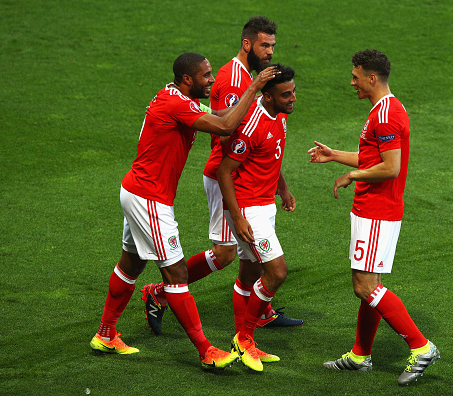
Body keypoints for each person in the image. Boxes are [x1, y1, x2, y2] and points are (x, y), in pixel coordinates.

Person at [89, 52, 279, 371]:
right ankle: (206, 350)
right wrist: (254, 88)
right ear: (188, 79)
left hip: (139, 191)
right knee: (175, 274)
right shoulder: (177, 104)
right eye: (206, 76)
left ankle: (106, 334)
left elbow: (220, 114)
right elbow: (223, 125)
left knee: (131, 264)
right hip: (149, 198)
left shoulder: (176, 96)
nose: (212, 80)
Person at [141, 16, 302, 336]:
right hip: (226, 177)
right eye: (264, 46)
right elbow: (228, 134)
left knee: (249, 256)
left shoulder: (250, 79)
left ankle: (260, 312)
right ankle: (160, 291)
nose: (269, 53)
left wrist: (280, 185)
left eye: (272, 46)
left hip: (250, 179)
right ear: (247, 44)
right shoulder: (233, 81)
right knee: (228, 253)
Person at [308, 49, 440, 385]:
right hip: (374, 210)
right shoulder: (384, 109)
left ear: (371, 78)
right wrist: (334, 156)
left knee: (365, 286)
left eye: (355, 77)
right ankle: (360, 355)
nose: (351, 83)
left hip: (377, 211)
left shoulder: (386, 115)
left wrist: (351, 177)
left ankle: (420, 346)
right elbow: (373, 158)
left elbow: (390, 167)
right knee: (371, 286)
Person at [217, 64, 297, 372]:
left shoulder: (281, 115)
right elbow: (225, 171)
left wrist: (284, 189)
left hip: (266, 205)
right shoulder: (251, 126)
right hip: (249, 210)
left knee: (249, 274)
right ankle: (245, 337)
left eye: (293, 92)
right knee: (277, 272)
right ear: (267, 95)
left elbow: (272, 157)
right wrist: (237, 218)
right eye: (285, 94)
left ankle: (245, 342)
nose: (292, 99)